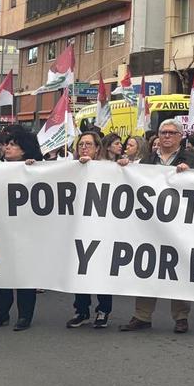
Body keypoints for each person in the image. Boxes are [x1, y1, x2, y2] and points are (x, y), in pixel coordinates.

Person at [117, 120, 194, 333]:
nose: (166, 136)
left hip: (180, 224)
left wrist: (192, 173)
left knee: (179, 270)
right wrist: (124, 168)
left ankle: (181, 317)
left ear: (180, 136)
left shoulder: (193, 159)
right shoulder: (147, 160)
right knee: (147, 267)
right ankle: (142, 315)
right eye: (163, 132)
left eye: (171, 133)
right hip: (151, 224)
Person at [0, 126, 41, 332]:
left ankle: (25, 315)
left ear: (25, 149)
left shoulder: (37, 169)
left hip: (27, 230)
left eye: (13, 145)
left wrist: (33, 169)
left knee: (25, 273)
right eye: (7, 144)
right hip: (2, 228)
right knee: (2, 271)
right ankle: (0, 313)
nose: (7, 148)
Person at [66, 131, 113, 329]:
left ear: (97, 148)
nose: (84, 148)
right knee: (80, 270)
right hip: (78, 229)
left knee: (101, 270)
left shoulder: (109, 169)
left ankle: (103, 310)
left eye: (88, 144)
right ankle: (81, 310)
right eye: (81, 144)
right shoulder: (69, 168)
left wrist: (124, 166)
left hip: (101, 229)